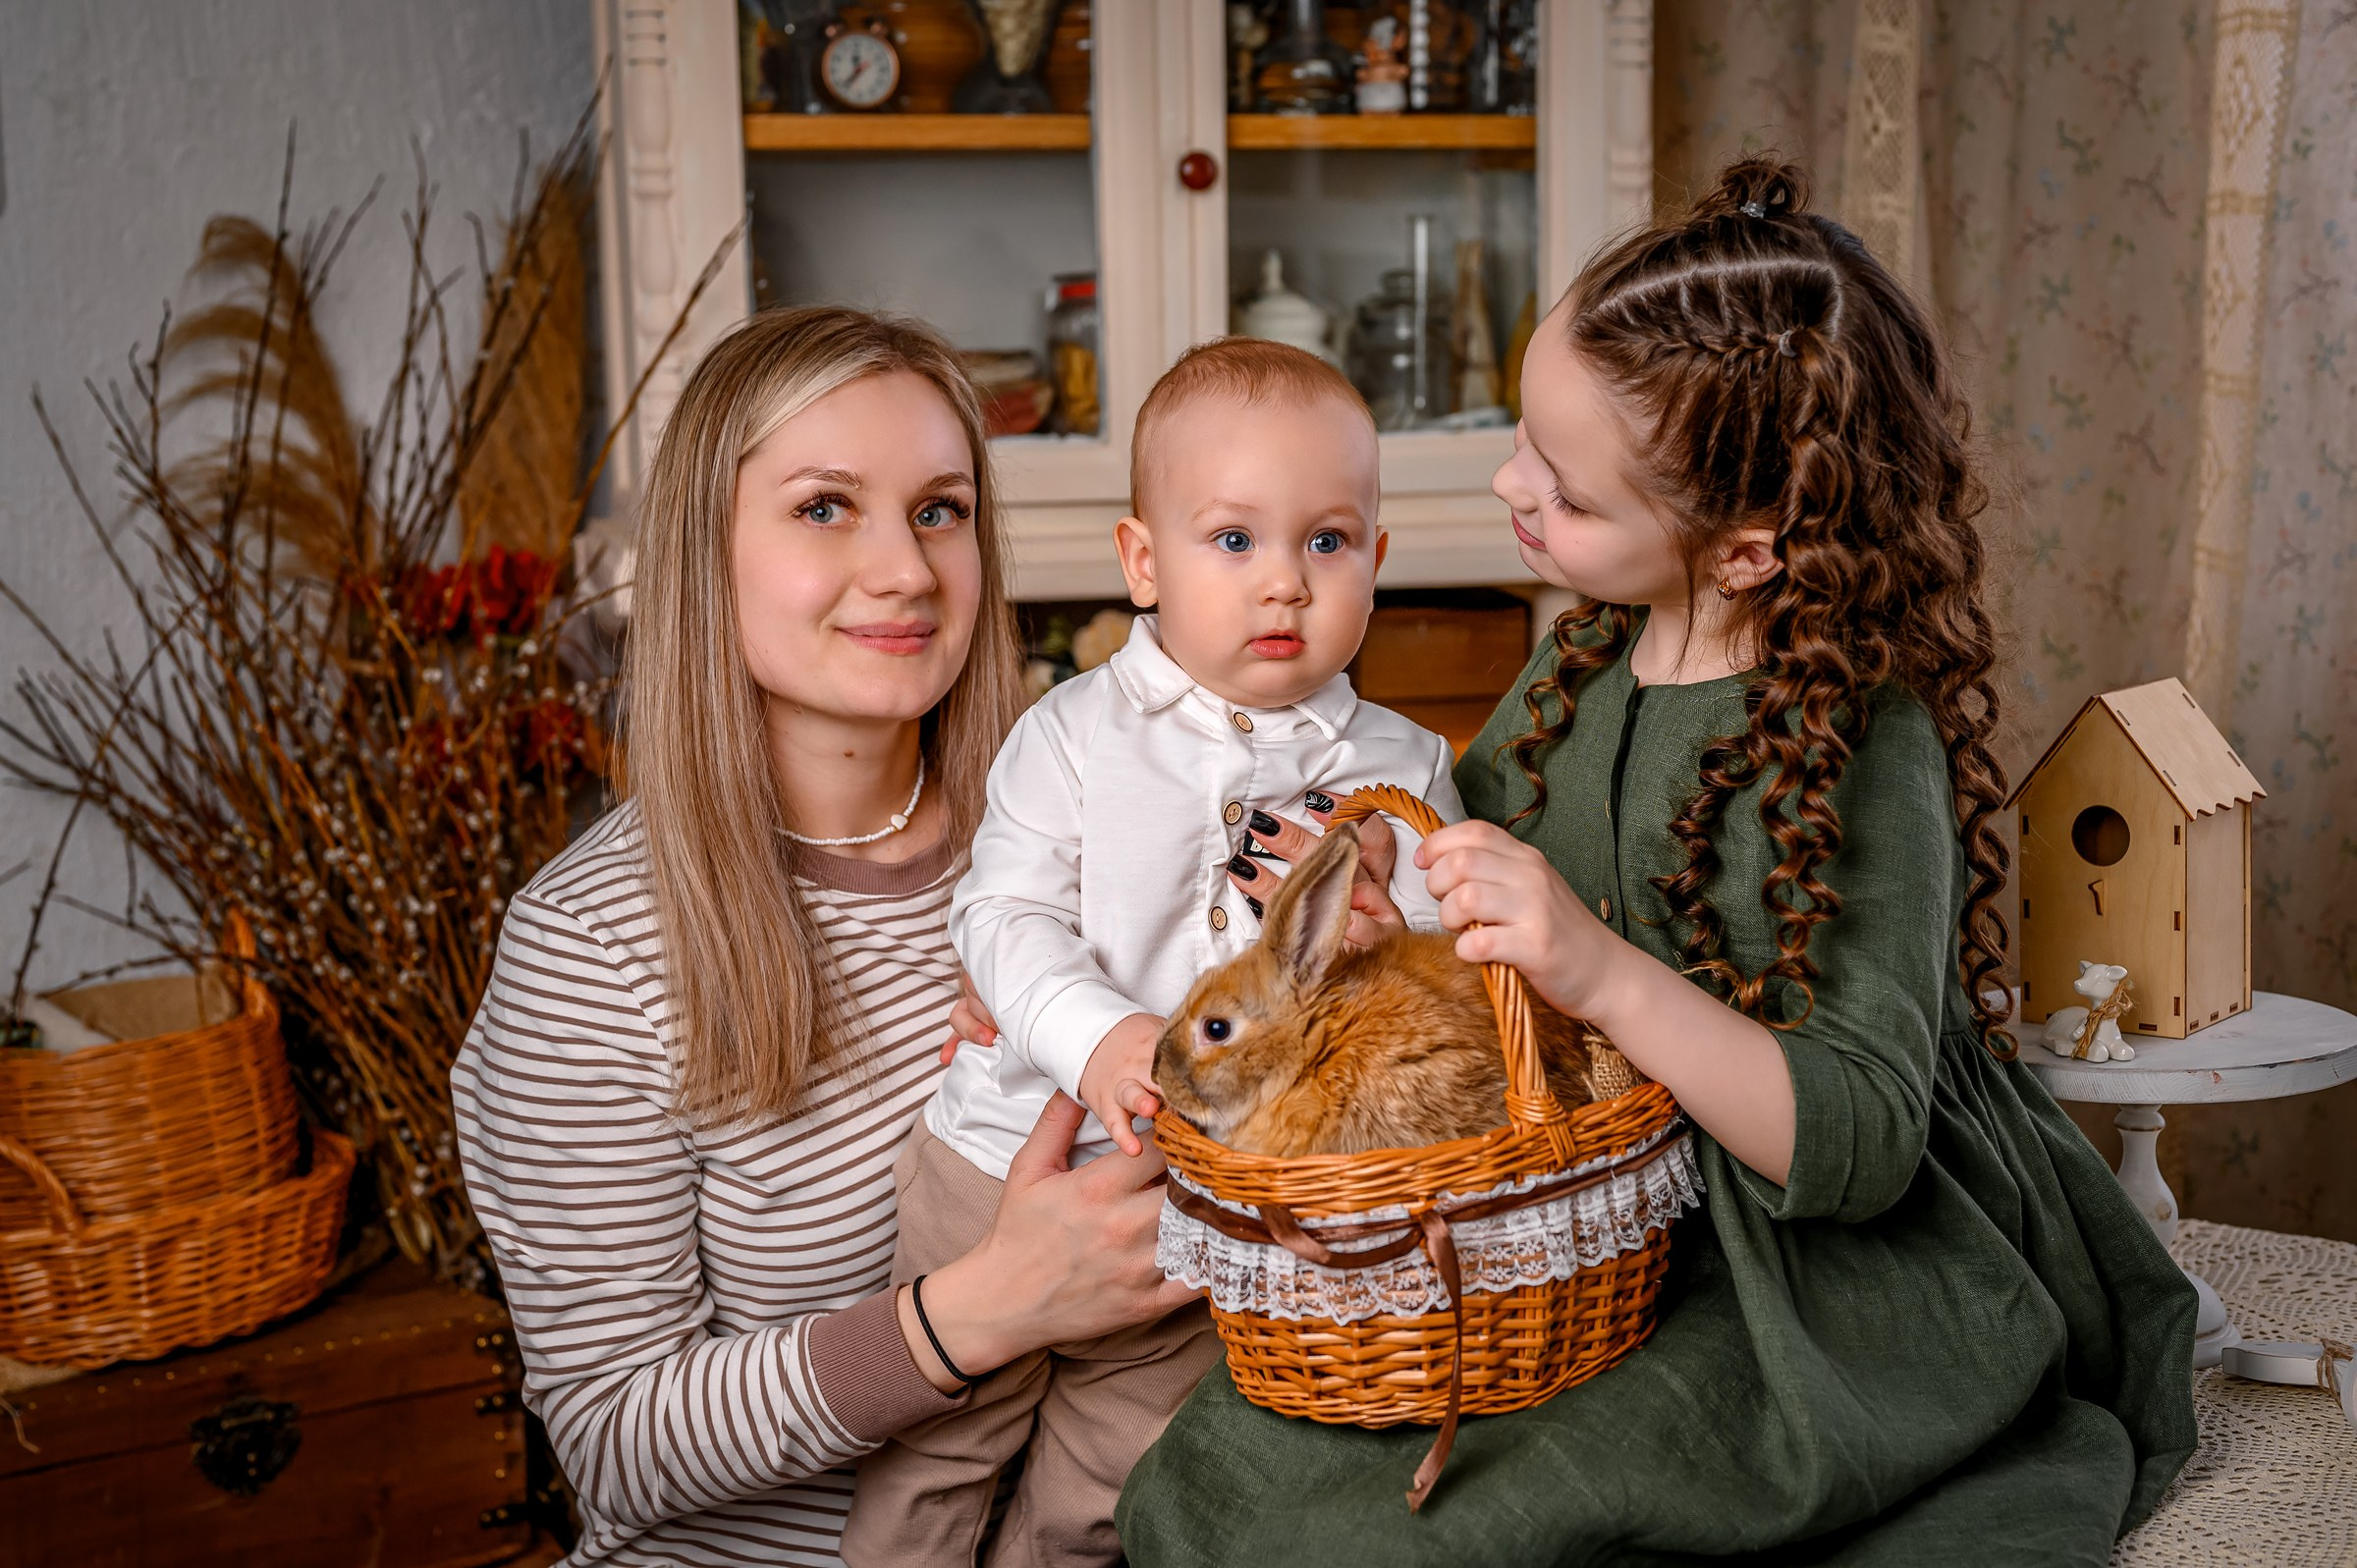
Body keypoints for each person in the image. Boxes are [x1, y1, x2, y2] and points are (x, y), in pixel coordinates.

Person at [1116, 159, 2199, 1564]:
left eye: (1558, 489)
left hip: (1809, 1283)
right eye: (1519, 435)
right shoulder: (1580, 658)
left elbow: (1862, 1145)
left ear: (1745, 548)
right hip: (1593, 1217)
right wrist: (1382, 889)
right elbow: (1459, 864)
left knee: (1467, 1523)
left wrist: (1601, 972)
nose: (1510, 483)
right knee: (1220, 1488)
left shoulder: (1861, 738)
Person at [450, 306, 1197, 1568]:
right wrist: (988, 1306)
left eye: (940, 509)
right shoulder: (590, 950)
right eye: (823, 507)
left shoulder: (1093, 858)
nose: (907, 570)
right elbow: (615, 1440)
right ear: (708, 550)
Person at [844, 338, 1461, 1567]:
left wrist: (1397, 939)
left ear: (1377, 566)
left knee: (1109, 1485)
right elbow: (1001, 920)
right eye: (1234, 542)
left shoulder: (1407, 767)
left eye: (1327, 543)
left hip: (1206, 1208)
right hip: (997, 1158)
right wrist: (1106, 1039)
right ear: (1143, 562)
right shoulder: (1070, 734)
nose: (1284, 583)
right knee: (936, 1462)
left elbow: (1455, 977)